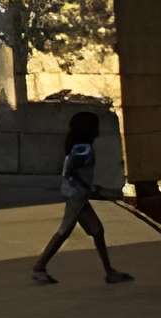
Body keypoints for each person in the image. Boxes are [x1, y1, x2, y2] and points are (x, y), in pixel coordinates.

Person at [30, 108, 133, 285]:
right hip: (77, 195)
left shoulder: (81, 147)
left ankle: (109, 272)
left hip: (79, 195)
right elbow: (70, 172)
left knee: (97, 231)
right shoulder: (82, 148)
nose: (98, 129)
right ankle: (39, 267)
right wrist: (91, 189)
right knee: (64, 231)